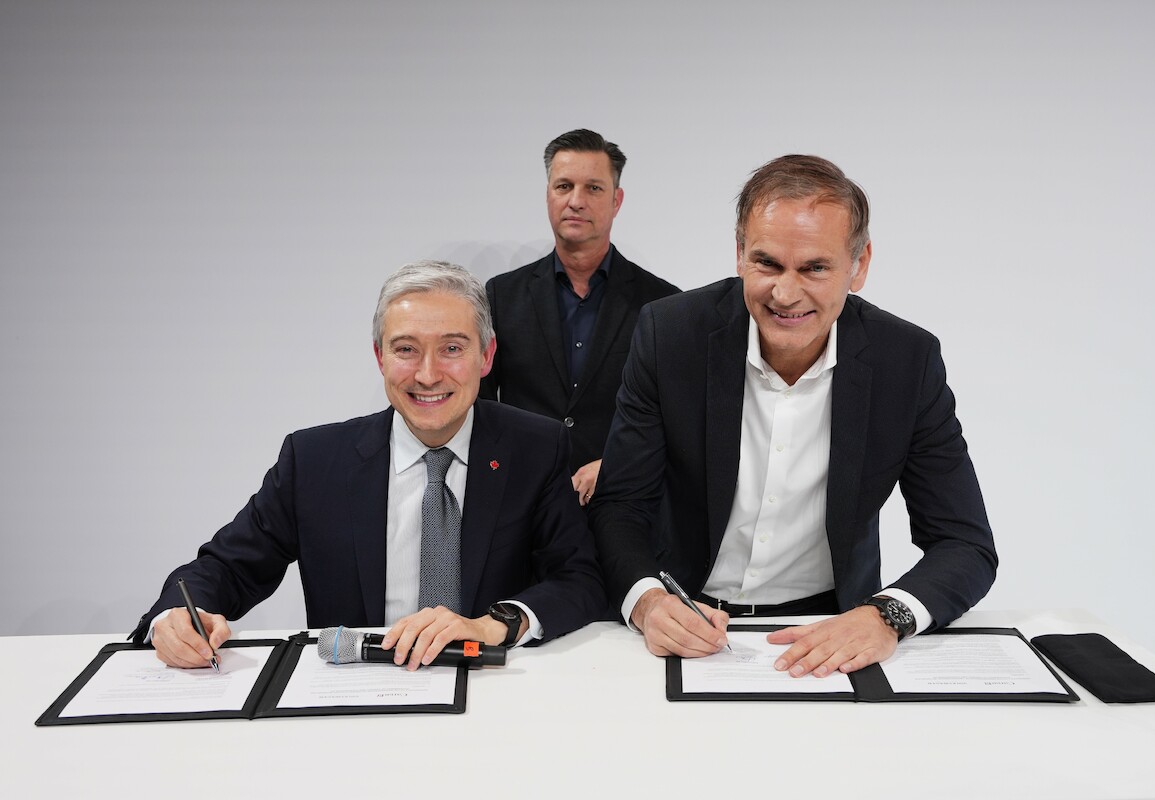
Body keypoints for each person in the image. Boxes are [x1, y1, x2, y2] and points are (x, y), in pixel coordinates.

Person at [588, 155, 998, 678]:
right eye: (767, 264)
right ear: (738, 253)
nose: (785, 293)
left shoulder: (907, 361)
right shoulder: (670, 335)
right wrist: (645, 601)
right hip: (682, 617)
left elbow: (965, 543)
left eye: (814, 268)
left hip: (828, 627)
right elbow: (620, 504)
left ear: (860, 264)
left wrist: (885, 617)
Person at [132, 261, 607, 670]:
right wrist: (175, 618)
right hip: (355, 700)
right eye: (405, 349)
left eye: (452, 348)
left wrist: (493, 624)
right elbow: (226, 569)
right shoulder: (314, 461)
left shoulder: (536, 447)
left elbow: (578, 579)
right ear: (379, 357)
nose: (427, 374)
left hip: (491, 689)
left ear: (487, 356)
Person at [480, 129, 679, 505]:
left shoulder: (662, 304)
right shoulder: (501, 295)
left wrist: (617, 463)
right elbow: (483, 406)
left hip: (621, 506)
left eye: (593, 188)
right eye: (564, 186)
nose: (576, 201)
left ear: (617, 200)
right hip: (521, 502)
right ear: (547, 195)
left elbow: (674, 419)